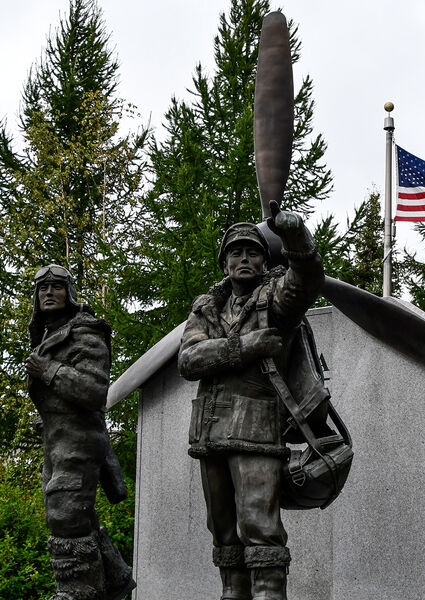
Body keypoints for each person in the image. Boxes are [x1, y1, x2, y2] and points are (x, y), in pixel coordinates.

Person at [178, 202, 325, 600]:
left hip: (257, 433)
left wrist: (296, 237)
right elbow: (188, 360)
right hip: (210, 435)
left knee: (261, 531)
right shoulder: (206, 308)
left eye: (252, 252)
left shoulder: (274, 301)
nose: (244, 259)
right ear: (225, 263)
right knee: (223, 534)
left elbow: (307, 280)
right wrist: (245, 346)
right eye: (236, 253)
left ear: (264, 260)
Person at [26, 264, 135, 600]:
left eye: (57, 287)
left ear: (69, 293)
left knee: (66, 517)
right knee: (77, 518)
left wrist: (49, 369)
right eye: (43, 288)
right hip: (57, 443)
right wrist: (46, 418)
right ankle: (115, 580)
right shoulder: (49, 336)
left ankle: (77, 592)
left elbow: (94, 391)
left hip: (79, 445)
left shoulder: (85, 333)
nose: (49, 293)